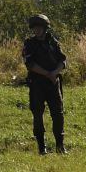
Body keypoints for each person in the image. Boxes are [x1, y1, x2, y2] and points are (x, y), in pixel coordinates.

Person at [21, 12, 68, 154]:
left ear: (45, 28)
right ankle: (42, 147)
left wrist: (54, 73)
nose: (37, 30)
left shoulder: (53, 42)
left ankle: (60, 146)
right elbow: (30, 64)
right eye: (34, 27)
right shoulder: (29, 44)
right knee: (38, 114)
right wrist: (48, 74)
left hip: (53, 83)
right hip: (37, 83)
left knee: (58, 114)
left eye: (39, 27)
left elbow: (63, 61)